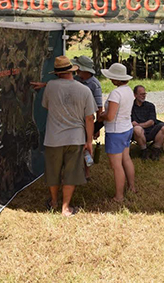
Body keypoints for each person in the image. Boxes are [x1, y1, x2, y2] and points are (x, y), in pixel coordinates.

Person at [40, 56, 96, 216]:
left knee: (53, 172)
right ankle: (66, 208)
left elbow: (47, 107)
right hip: (75, 138)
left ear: (57, 72)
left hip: (53, 138)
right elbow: (89, 118)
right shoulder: (84, 90)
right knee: (71, 173)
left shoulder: (50, 86)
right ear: (73, 70)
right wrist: (89, 141)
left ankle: (53, 201)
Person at [97, 63, 136, 202]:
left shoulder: (116, 93)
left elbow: (110, 116)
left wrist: (102, 115)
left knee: (116, 165)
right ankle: (132, 187)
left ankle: (119, 196)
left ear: (116, 78)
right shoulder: (128, 91)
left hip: (115, 131)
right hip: (127, 128)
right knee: (126, 158)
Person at [131, 85, 164, 161]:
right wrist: (138, 126)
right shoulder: (130, 107)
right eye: (141, 94)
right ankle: (144, 151)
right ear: (135, 95)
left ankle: (156, 150)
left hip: (150, 130)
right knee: (137, 129)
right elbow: (129, 122)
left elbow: (151, 121)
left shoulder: (150, 106)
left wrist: (139, 125)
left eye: (144, 94)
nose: (143, 96)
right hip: (137, 133)